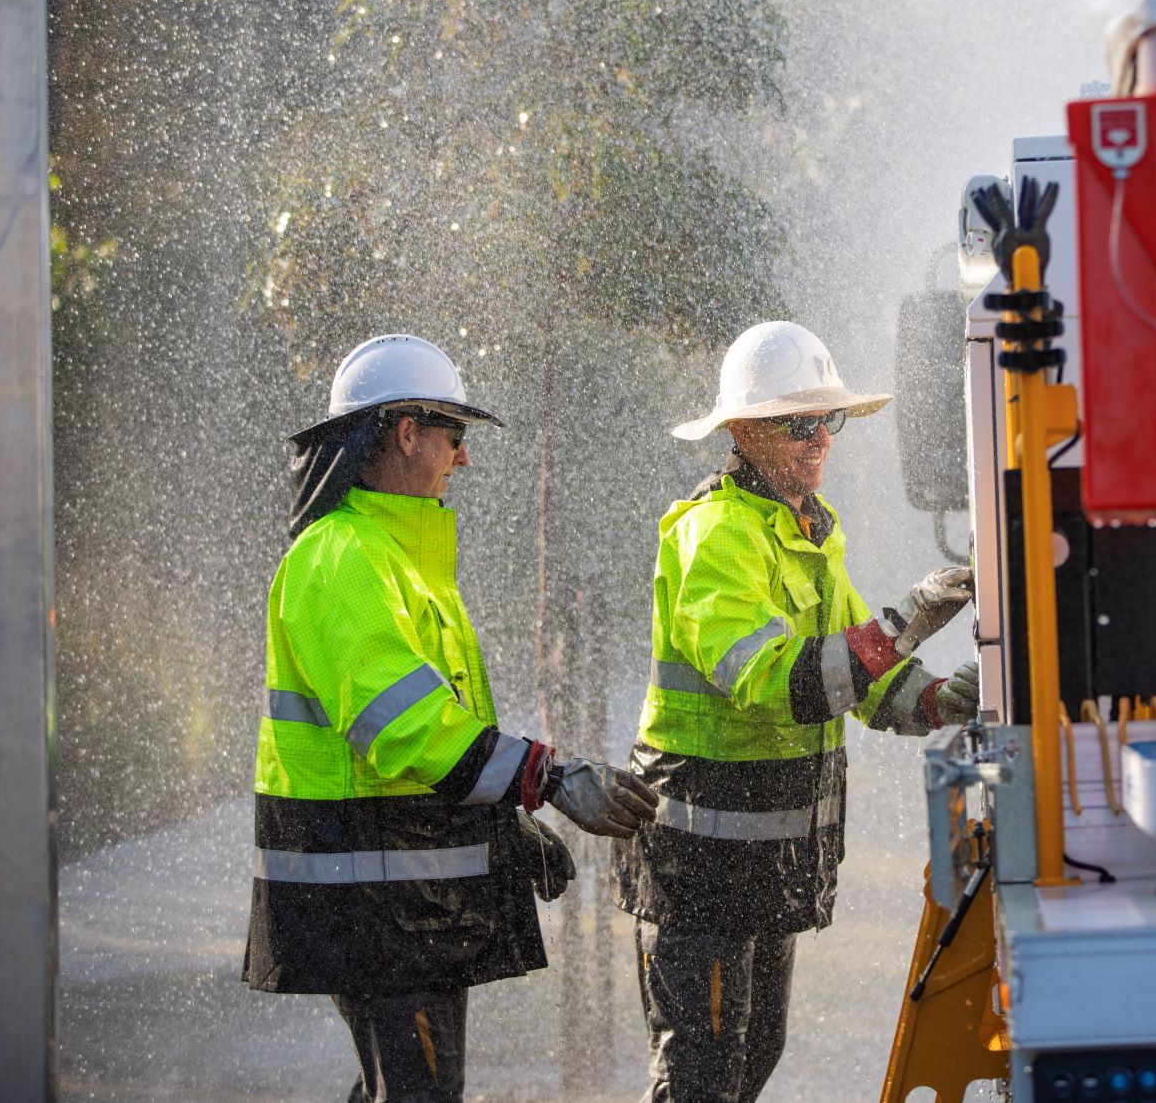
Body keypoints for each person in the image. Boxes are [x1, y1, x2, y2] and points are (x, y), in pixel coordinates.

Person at [245, 333, 662, 1103]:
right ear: (406, 432)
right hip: (372, 903)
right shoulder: (342, 556)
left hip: (399, 897)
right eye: (454, 435)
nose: (462, 458)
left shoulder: (399, 558)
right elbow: (402, 726)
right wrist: (547, 777)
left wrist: (497, 826)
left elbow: (441, 740)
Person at [612, 320, 980, 1103]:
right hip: (699, 865)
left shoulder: (812, 531)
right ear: (743, 431)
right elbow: (785, 682)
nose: (819, 440)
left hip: (762, 863)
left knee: (752, 1058)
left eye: (829, 421)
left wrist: (938, 697)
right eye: (797, 422)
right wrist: (905, 619)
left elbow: (863, 680)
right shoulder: (713, 535)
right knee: (701, 1079)